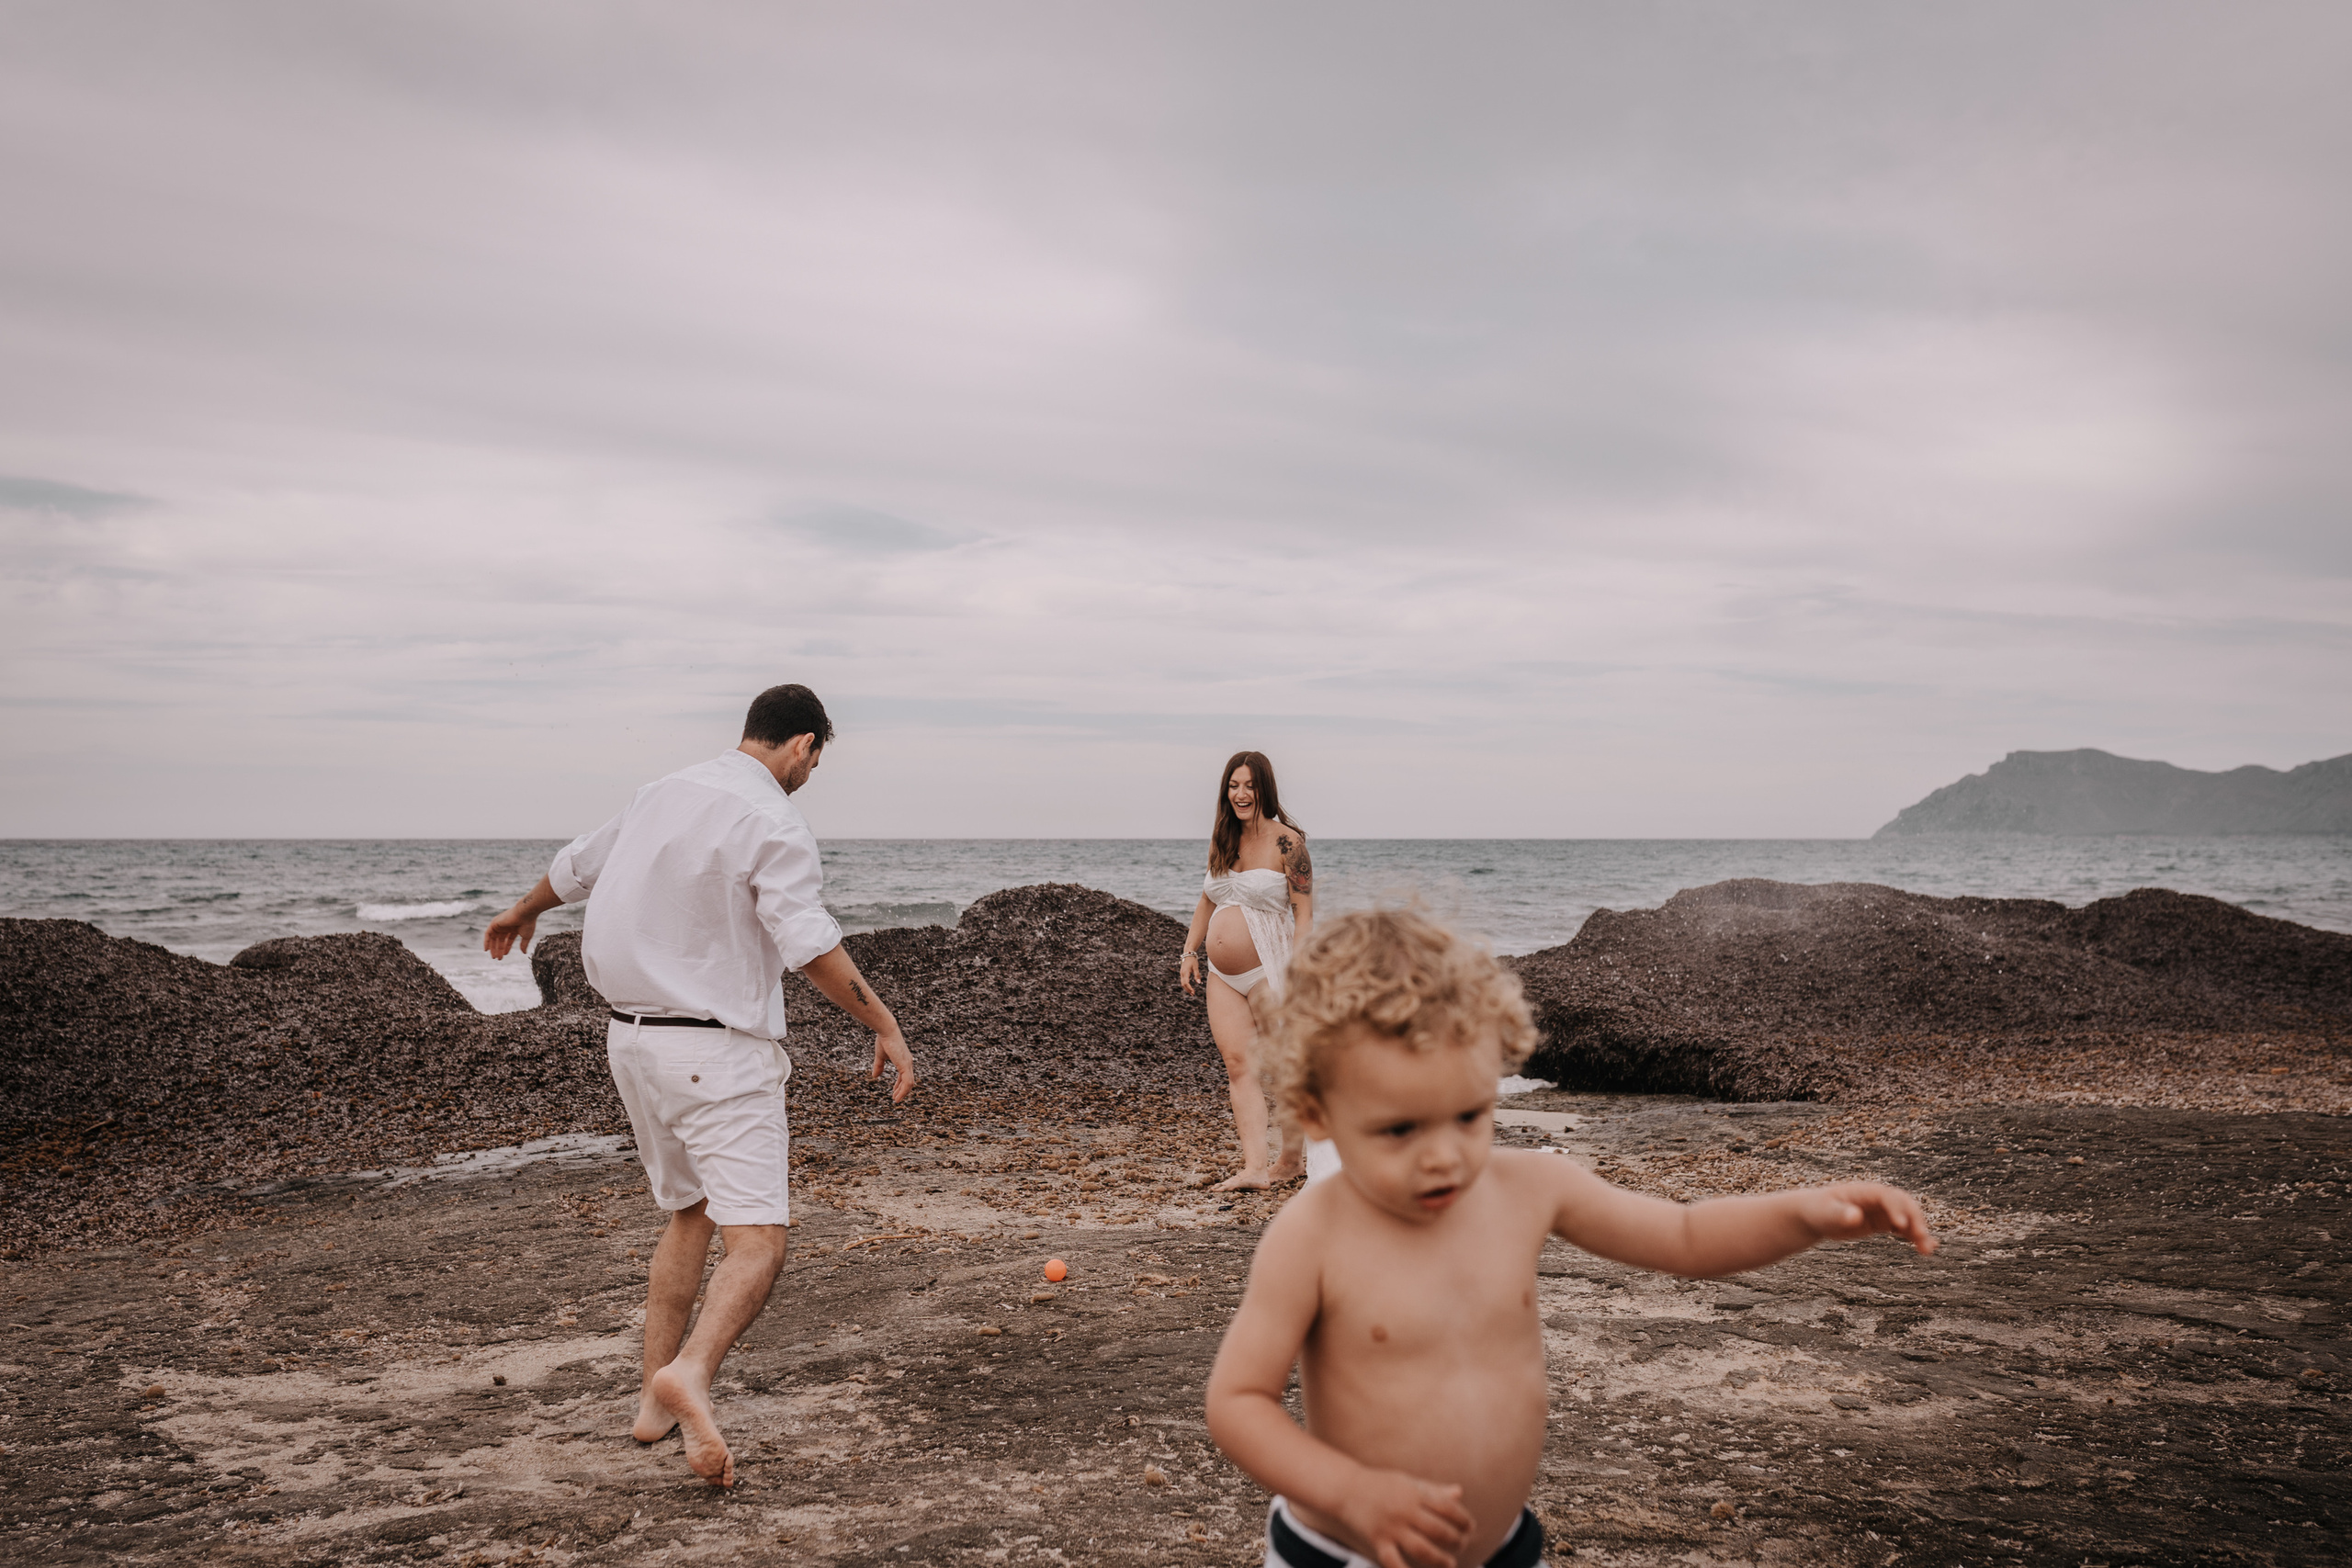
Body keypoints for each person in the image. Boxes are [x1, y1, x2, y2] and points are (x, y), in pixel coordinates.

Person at [1205, 908, 1938, 1568]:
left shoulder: (1528, 1187)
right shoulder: (1314, 1234)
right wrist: (1352, 1491)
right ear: (1316, 1111)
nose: (1444, 1154)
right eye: (1399, 1129)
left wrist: (1804, 1213)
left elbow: (1682, 1234)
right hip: (1346, 1551)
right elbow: (1238, 1400)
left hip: (1503, 1549)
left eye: (1469, 1115)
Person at [481, 682, 917, 1489]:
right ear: (804, 747)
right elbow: (808, 943)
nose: (810, 774)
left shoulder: (664, 791)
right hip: (716, 1054)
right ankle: (690, 1373)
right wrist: (882, 1023)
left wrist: (519, 911)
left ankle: (651, 1405)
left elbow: (575, 866)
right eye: (816, 761)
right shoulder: (773, 818)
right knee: (759, 1241)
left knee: (690, 1212)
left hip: (631, 1042)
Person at [1180, 750, 1319, 1191]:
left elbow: (1304, 915)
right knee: (1239, 1065)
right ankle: (1255, 1168)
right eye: (1233, 785)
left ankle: (1293, 1160)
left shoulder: (1288, 843)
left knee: (1285, 1066)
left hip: (1270, 966)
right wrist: (1189, 952)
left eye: (1249, 786)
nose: (1240, 794)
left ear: (1265, 789)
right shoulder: (1223, 838)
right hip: (1223, 977)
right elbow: (1208, 898)